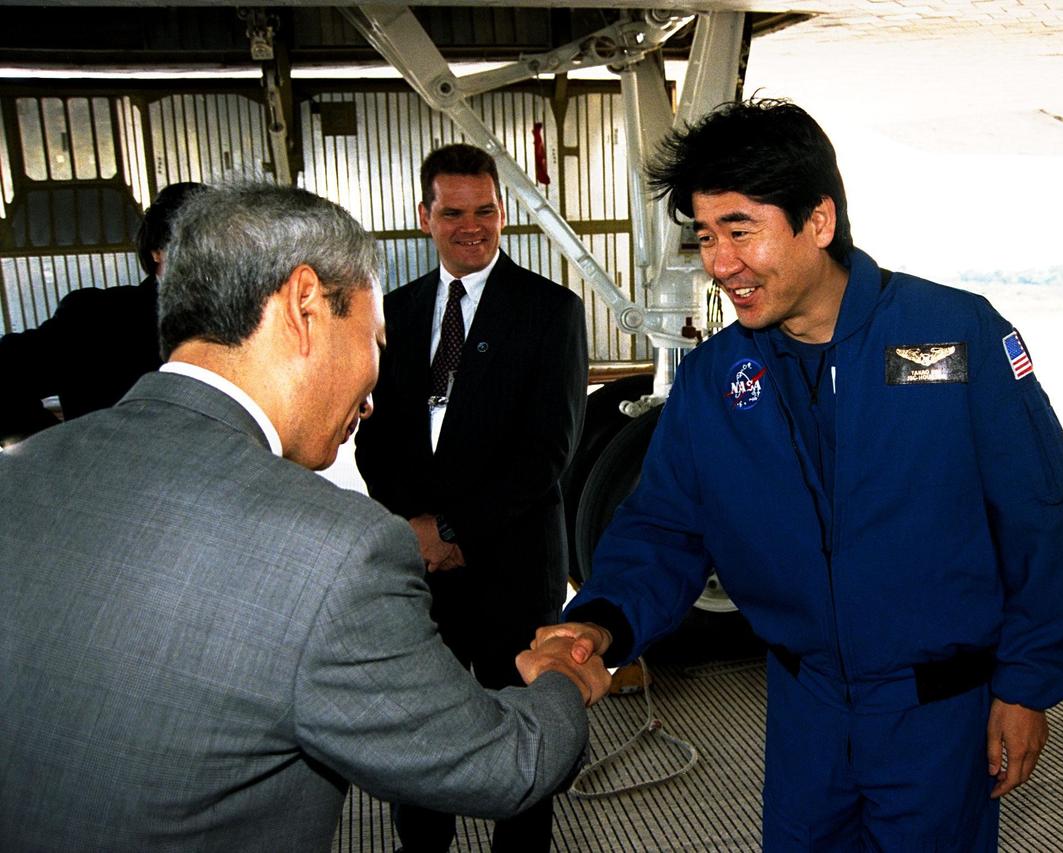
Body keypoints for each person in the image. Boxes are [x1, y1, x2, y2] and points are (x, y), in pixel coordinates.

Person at [539, 99, 1063, 851]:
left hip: (938, 716)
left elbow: (1035, 518)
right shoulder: (714, 379)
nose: (720, 263)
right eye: (704, 236)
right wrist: (600, 624)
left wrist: (1026, 686)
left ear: (818, 221)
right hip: (807, 713)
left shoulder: (958, 337)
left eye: (740, 229)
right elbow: (663, 528)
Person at [0, 182, 610, 852]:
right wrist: (562, 676)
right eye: (375, 338)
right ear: (305, 304)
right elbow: (506, 765)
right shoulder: (334, 550)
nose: (374, 396)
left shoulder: (18, 476)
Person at [355, 143, 589, 852]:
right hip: (421, 572)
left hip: (513, 569)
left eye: (485, 210)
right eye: (453, 212)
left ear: (502, 211)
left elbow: (547, 452)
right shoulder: (393, 311)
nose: (472, 226)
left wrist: (452, 528)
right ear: (423, 216)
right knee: (420, 732)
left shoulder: (550, 312)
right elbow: (373, 437)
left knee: (521, 736)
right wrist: (416, 530)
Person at [0, 181, 204, 442]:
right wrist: (57, 449)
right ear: (157, 250)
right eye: (193, 241)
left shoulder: (251, 320)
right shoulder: (96, 318)